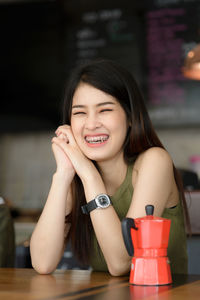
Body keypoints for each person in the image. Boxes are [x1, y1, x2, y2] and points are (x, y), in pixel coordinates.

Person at [30, 59, 189, 276]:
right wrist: (63, 174)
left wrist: (88, 174)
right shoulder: (75, 176)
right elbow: (42, 262)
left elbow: (121, 263)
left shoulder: (154, 162)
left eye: (104, 110)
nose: (91, 124)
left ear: (131, 116)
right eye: (79, 113)